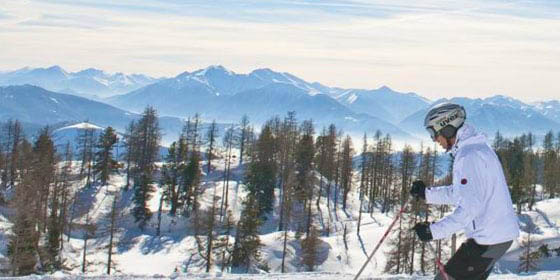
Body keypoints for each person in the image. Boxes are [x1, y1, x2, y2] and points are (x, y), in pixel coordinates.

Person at [409, 103, 519, 280]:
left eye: (433, 133)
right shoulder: (474, 150)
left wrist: (433, 232)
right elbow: (463, 193)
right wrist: (427, 194)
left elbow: (468, 209)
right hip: (493, 236)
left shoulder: (470, 156)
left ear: (446, 129)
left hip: (489, 239)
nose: (434, 140)